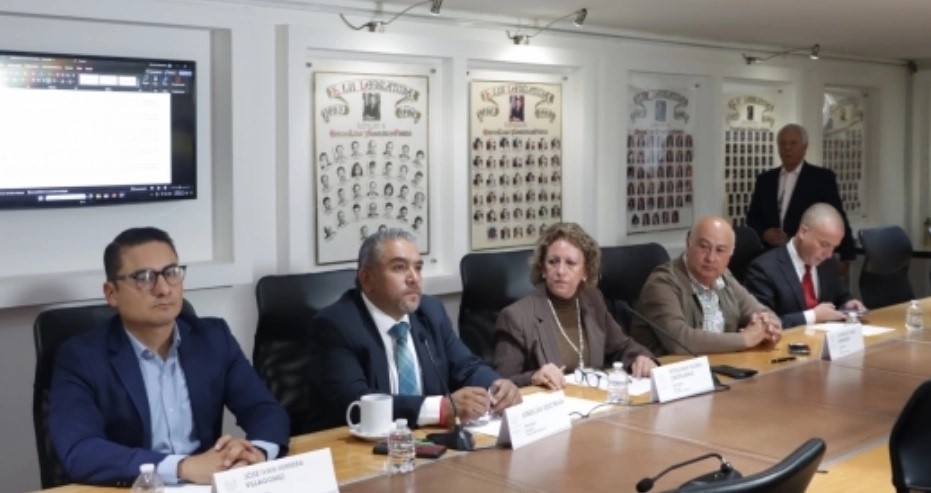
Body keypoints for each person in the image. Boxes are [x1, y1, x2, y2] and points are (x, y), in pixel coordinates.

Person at [48, 227, 289, 486]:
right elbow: (81, 450)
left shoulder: (212, 338)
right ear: (111, 293)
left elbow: (264, 409)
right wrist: (183, 467)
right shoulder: (81, 357)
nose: (163, 289)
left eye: (171, 273)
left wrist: (255, 455)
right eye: (144, 277)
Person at [311, 229, 521, 431]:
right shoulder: (336, 324)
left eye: (418, 268)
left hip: (428, 442)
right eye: (399, 268)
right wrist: (438, 409)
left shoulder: (431, 311)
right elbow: (356, 402)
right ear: (367, 279)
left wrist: (497, 385)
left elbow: (466, 366)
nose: (414, 278)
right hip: (361, 449)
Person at [494, 223, 657, 389]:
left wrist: (641, 357)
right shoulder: (516, 317)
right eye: (553, 262)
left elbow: (622, 346)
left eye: (570, 263)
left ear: (585, 272)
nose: (560, 271)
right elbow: (501, 384)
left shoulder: (592, 301)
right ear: (543, 269)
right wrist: (533, 377)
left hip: (593, 403)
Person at [630, 216, 782, 356]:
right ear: (688, 243)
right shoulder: (662, 283)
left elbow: (761, 311)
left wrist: (768, 326)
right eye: (704, 247)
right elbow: (680, 340)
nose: (711, 258)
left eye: (720, 250)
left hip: (720, 368)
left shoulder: (724, 278)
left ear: (730, 254)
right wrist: (745, 339)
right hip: (673, 375)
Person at [745, 124, 855, 273]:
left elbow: (837, 216)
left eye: (793, 143)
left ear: (804, 147)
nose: (787, 148)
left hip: (808, 255)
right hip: (771, 255)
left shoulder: (821, 178)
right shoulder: (765, 180)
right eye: (783, 143)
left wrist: (845, 255)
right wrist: (764, 233)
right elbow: (753, 217)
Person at [745, 203, 867, 327]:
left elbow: (840, 296)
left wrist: (848, 304)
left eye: (834, 247)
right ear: (803, 232)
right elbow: (762, 323)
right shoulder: (763, 269)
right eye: (824, 245)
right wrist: (812, 316)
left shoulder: (829, 263)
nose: (829, 254)